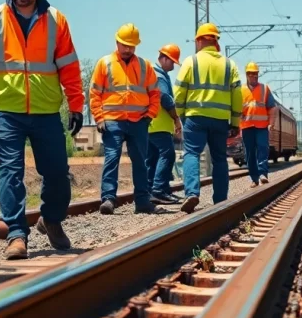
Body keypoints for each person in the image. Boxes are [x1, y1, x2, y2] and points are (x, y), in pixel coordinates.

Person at [0, 0, 84, 259]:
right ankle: (17, 235)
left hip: (46, 110)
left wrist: (76, 105)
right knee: (10, 172)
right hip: (7, 110)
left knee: (58, 173)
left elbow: (70, 67)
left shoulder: (56, 21)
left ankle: (52, 219)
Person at [89, 24, 162, 215]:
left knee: (140, 161)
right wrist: (99, 117)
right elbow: (95, 93)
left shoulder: (145, 66)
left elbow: (155, 93)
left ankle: (142, 201)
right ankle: (108, 199)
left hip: (139, 121)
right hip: (112, 121)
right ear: (117, 42)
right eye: (125, 45)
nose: (128, 49)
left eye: (131, 46)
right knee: (112, 159)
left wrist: (150, 114)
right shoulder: (105, 64)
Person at [173, 22, 242, 213]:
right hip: (220, 120)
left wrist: (181, 115)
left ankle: (192, 193)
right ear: (215, 41)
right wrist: (235, 122)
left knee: (192, 153)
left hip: (195, 118)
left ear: (199, 40)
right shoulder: (230, 65)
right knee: (220, 158)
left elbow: (179, 92)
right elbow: (237, 96)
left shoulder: (191, 62)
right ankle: (220, 200)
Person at [147, 43, 184, 204]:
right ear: (163, 58)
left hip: (151, 124)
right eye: (172, 62)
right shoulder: (159, 76)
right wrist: (176, 118)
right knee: (167, 154)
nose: (173, 66)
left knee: (152, 158)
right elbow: (165, 98)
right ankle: (159, 190)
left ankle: (151, 191)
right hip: (159, 124)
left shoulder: (155, 73)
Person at [240, 61, 275, 187]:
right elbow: (237, 109)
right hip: (246, 126)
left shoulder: (265, 89)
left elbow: (272, 108)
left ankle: (263, 174)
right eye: (251, 74)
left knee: (262, 149)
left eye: (255, 74)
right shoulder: (240, 90)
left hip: (262, 126)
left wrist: (271, 123)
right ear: (246, 75)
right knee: (249, 153)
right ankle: (254, 178)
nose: (253, 76)